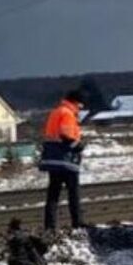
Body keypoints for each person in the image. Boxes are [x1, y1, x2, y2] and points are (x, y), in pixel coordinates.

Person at [39, 89, 88, 230]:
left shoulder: (56, 112)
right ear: (75, 102)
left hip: (52, 159)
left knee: (53, 194)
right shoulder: (67, 113)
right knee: (74, 193)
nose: (81, 108)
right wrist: (78, 146)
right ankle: (77, 223)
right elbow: (65, 134)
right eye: (80, 105)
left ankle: (50, 226)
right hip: (65, 160)